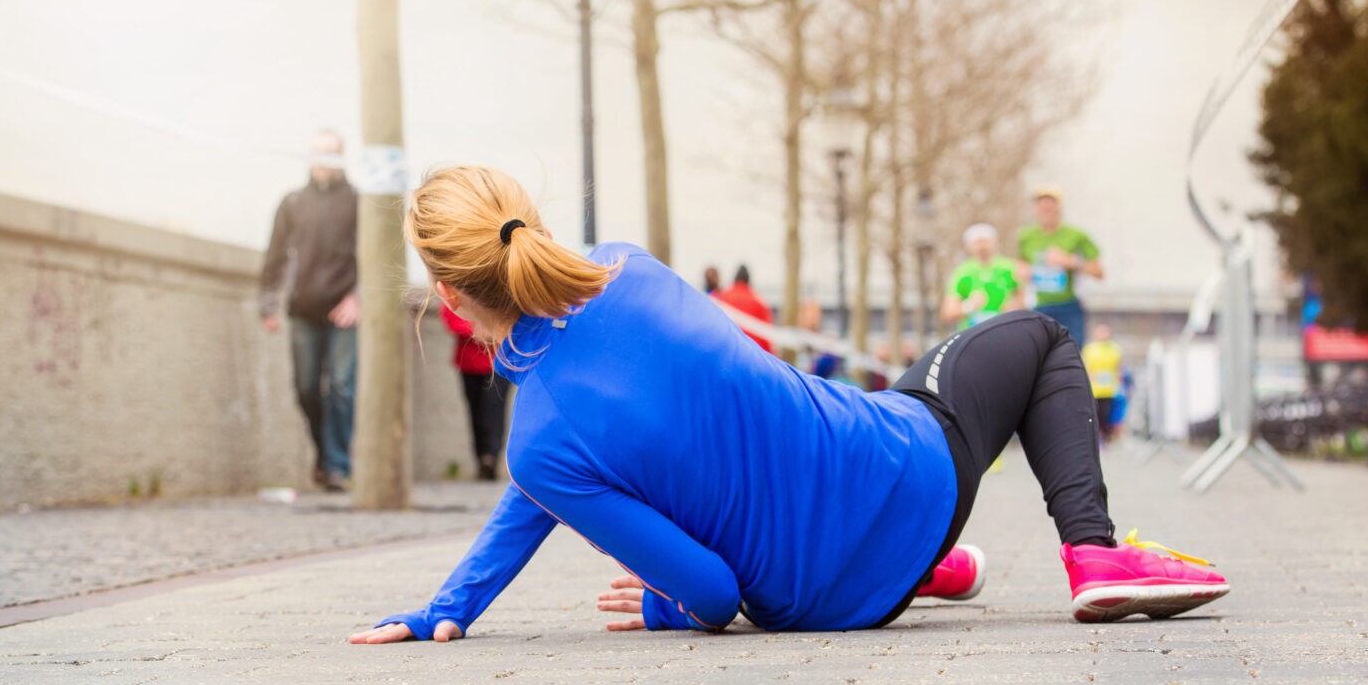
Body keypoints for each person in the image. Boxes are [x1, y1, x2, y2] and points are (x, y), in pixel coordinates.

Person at [350, 166, 1229, 646]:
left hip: (820, 602)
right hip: (909, 476)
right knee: (1039, 336)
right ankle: (1094, 554)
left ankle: (932, 568)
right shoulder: (631, 267)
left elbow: (710, 591)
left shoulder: (539, 446)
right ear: (530, 224)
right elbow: (550, 475)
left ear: (445, 293)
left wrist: (452, 605)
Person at [259, 130, 359, 492]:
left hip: (344, 309)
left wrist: (357, 298)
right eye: (317, 153)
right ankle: (324, 454)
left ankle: (336, 465)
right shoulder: (293, 201)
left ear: (341, 157)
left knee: (342, 387)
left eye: (331, 154)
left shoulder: (358, 201)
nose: (323, 161)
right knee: (305, 388)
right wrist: (268, 304)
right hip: (302, 309)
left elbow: (376, 256)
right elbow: (275, 254)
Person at [1017, 185, 1103, 348]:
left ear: (1059, 206)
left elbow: (1099, 272)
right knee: (1040, 358)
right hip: (1039, 306)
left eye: (1051, 203)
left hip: (1070, 306)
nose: (1046, 208)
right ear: (1036, 208)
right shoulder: (1026, 236)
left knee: (1071, 354)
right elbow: (1020, 266)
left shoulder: (1076, 235)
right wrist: (1022, 272)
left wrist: (1072, 262)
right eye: (1041, 204)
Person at [440, 300, 511, 480]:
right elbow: (448, 311)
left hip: (498, 359)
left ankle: (490, 457)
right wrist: (472, 329)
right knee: (476, 410)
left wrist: (493, 329)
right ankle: (481, 457)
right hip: (469, 359)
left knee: (494, 409)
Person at [941, 223, 1022, 330]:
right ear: (968, 246)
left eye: (986, 241)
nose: (982, 246)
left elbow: (1024, 296)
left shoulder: (1010, 267)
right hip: (973, 335)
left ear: (995, 242)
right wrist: (968, 306)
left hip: (1005, 331)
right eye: (977, 242)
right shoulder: (962, 272)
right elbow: (947, 313)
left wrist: (1015, 306)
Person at [711, 265, 775, 354]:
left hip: (727, 352)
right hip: (751, 356)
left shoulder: (721, 298)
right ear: (748, 281)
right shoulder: (759, 302)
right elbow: (766, 336)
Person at [1082, 324, 1123, 444]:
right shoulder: (1090, 349)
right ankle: (1096, 437)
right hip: (1095, 388)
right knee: (1095, 414)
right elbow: (1087, 367)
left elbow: (1117, 367)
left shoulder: (1114, 349)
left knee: (1107, 414)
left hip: (1109, 388)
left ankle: (1106, 437)